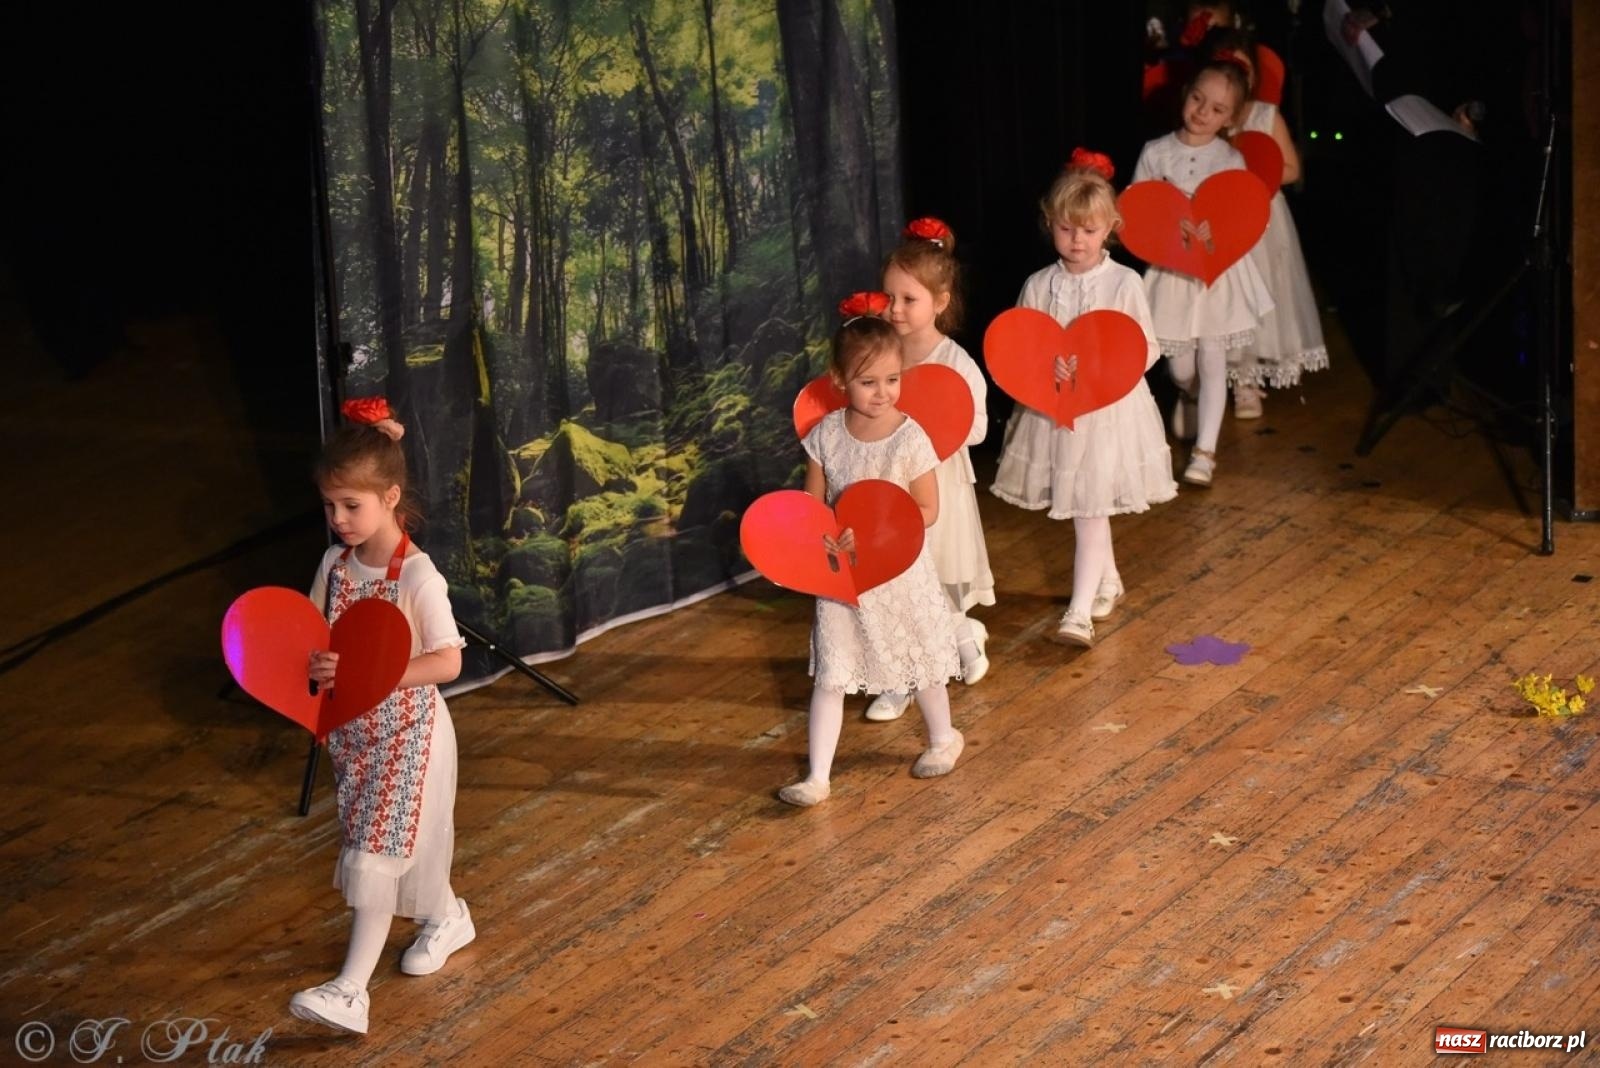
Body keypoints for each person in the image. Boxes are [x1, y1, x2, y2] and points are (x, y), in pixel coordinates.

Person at [289, 397, 471, 1035]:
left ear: (391, 497)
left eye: (351, 506)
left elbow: (447, 662)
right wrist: (314, 666)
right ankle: (448, 916)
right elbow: (316, 635)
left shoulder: (418, 577)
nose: (338, 519)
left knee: (374, 857)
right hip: (355, 736)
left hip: (410, 736)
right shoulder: (334, 565)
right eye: (329, 506)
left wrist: (375, 674)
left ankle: (350, 991)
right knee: (399, 851)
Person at [780, 302, 964, 807]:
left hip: (898, 570)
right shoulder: (826, 436)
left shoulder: (909, 437)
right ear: (839, 380)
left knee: (918, 657)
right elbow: (812, 506)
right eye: (868, 383)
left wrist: (876, 530)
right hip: (843, 577)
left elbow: (927, 508)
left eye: (892, 379)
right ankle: (818, 776)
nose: (883, 393)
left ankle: (944, 737)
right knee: (834, 669)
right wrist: (823, 538)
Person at [991, 152, 1178, 647]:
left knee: (1089, 505)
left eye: (1089, 231)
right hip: (1055, 412)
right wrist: (1044, 367)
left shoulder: (1124, 283)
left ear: (1110, 229)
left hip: (1109, 413)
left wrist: (1101, 374)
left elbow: (1146, 346)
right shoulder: (1040, 284)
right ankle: (1108, 581)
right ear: (1049, 224)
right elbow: (1023, 344)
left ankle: (1078, 613)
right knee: (1085, 504)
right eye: (1067, 230)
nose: (1078, 241)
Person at [863, 217, 995, 723]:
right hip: (890, 490)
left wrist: (937, 426)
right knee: (895, 584)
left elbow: (978, 426)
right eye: (889, 297)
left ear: (940, 302)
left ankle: (957, 635)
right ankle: (900, 677)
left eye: (908, 300)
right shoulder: (882, 352)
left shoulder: (956, 361)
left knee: (932, 581)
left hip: (939, 487)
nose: (894, 309)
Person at [1133, 58, 1274, 486]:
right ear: (1185, 93)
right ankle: (1189, 394)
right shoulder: (1156, 152)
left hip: (1218, 273)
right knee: (1180, 368)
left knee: (1214, 359)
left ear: (1230, 117)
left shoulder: (1230, 157)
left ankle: (1204, 454)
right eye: (1197, 99)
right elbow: (1134, 210)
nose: (1202, 112)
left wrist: (1218, 228)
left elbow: (1246, 214)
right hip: (1172, 275)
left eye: (1216, 109)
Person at [1205, 33, 1330, 415]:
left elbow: (1292, 168)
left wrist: (1256, 176)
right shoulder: (1211, 116)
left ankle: (1248, 379)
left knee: (1261, 290)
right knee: (1224, 294)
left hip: (1263, 218)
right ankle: (1216, 376)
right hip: (1221, 219)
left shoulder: (1265, 115)